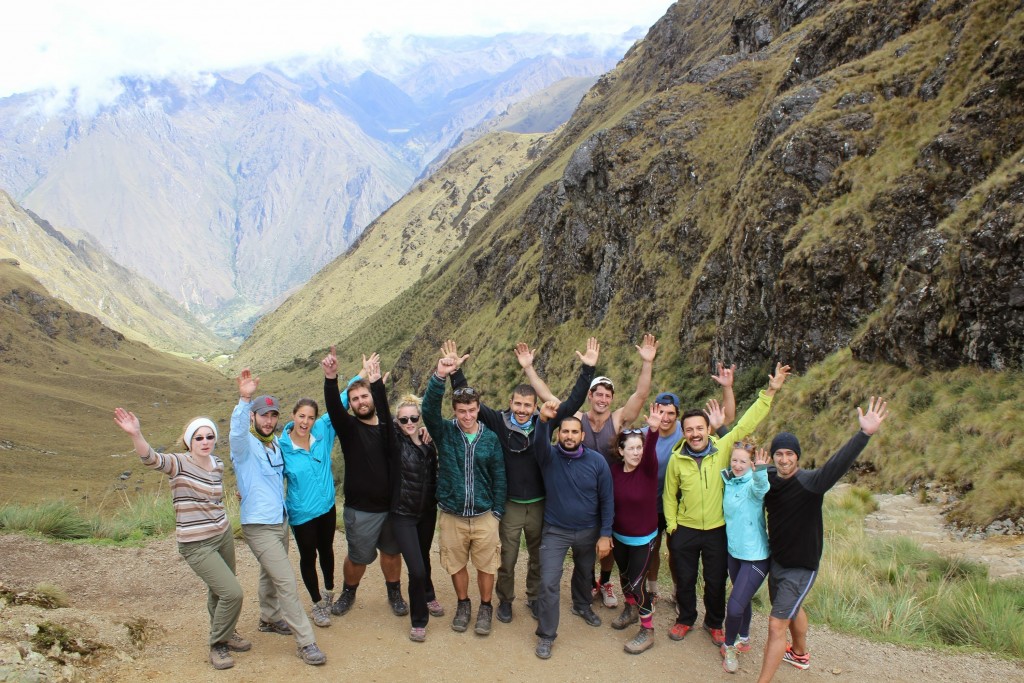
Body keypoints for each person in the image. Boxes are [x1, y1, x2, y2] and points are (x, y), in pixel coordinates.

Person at [445, 337, 599, 624]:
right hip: (511, 504)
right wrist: (455, 372)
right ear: (511, 402)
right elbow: (468, 402)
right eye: (518, 404)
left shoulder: (547, 421)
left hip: (541, 504)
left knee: (539, 558)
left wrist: (587, 369)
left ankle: (533, 597)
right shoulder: (499, 422)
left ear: (535, 405)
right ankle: (505, 600)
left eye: (528, 405)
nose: (522, 410)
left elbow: (573, 403)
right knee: (508, 557)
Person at [756, 397, 889, 682]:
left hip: (802, 566)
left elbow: (837, 464)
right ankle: (800, 654)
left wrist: (864, 433)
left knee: (776, 625)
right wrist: (719, 430)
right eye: (779, 454)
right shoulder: (767, 477)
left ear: (797, 457)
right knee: (792, 608)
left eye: (789, 454)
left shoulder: (811, 483)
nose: (784, 459)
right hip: (777, 561)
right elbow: (740, 460)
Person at [526, 334, 658, 609]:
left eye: (607, 395)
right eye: (598, 394)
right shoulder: (576, 420)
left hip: (613, 490)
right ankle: (587, 587)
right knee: (588, 544)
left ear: (611, 399)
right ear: (590, 396)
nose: (603, 399)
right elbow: (545, 395)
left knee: (606, 539)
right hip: (581, 490)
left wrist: (647, 363)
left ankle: (606, 581)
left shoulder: (618, 418)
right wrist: (528, 368)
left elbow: (641, 394)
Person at [664, 363, 790, 647]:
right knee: (684, 579)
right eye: (689, 430)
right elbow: (669, 495)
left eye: (699, 428)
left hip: (717, 530)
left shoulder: (722, 450)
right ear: (683, 433)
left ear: (709, 428)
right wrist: (672, 525)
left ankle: (713, 622)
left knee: (715, 580)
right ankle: (685, 619)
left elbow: (746, 423)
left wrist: (769, 392)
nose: (695, 434)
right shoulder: (676, 459)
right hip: (685, 528)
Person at [113, 409, 249, 670]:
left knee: (219, 590)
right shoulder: (179, 463)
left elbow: (214, 498)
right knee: (232, 592)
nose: (205, 441)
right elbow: (151, 459)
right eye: (198, 438)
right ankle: (217, 643)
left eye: (210, 436)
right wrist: (136, 434)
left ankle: (227, 632)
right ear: (189, 441)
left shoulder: (217, 464)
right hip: (196, 543)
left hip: (222, 535)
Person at [229, 369, 326, 666]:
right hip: (258, 525)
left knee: (268, 575)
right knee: (285, 580)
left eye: (273, 415)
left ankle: (269, 618)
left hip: (279, 520)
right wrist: (244, 398)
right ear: (253, 417)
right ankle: (306, 642)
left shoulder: (274, 443)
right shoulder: (245, 445)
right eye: (262, 415)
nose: (268, 421)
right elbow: (235, 434)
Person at [423, 352, 507, 635]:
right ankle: (463, 604)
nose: (467, 416)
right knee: (456, 563)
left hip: (484, 516)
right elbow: (428, 411)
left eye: (472, 410)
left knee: (487, 566)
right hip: (452, 515)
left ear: (478, 408)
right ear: (455, 411)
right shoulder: (445, 432)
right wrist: (439, 377)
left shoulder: (490, 438)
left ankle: (485, 607)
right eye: (462, 411)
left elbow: (499, 477)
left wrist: (497, 513)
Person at [321, 348, 406, 618]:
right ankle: (349, 592)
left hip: (392, 507)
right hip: (361, 509)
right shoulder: (349, 429)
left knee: (392, 553)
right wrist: (331, 378)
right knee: (357, 557)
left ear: (372, 398)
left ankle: (394, 591)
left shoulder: (389, 428)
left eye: (364, 396)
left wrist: (376, 380)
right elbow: (334, 407)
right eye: (355, 399)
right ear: (352, 403)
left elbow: (385, 407)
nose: (360, 402)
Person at [645, 365, 737, 604]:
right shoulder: (645, 433)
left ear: (677, 415)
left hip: (681, 505)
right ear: (654, 411)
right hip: (651, 503)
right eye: (661, 412)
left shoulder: (688, 433)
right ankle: (652, 589)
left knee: (675, 551)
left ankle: (679, 591)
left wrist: (727, 387)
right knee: (652, 548)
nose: (665, 418)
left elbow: (727, 418)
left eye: (671, 413)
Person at [531, 399, 614, 660]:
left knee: (583, 572)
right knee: (548, 583)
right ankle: (546, 634)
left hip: (589, 530)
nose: (569, 436)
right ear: (559, 434)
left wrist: (605, 534)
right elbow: (538, 443)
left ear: (582, 435)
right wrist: (543, 421)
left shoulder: (598, 462)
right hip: (555, 531)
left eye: (574, 432)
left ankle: (582, 605)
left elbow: (607, 499)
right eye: (564, 431)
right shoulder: (549, 457)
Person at [608, 405, 668, 655]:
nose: (636, 452)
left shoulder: (648, 469)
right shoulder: (613, 472)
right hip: (619, 536)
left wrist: (653, 431)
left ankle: (648, 629)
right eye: (630, 448)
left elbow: (652, 450)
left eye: (639, 447)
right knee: (623, 576)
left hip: (643, 539)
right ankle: (631, 609)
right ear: (621, 451)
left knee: (636, 583)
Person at [389, 393, 445, 642]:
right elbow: (381, 412)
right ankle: (419, 620)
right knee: (417, 568)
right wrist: (377, 383)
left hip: (427, 511)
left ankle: (429, 594)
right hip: (403, 514)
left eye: (414, 417)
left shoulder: (427, 442)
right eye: (404, 419)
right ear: (397, 421)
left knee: (424, 559)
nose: (409, 422)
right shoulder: (395, 442)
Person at [279, 392, 337, 629]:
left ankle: (329, 590)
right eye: (301, 416)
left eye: (310, 417)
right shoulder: (281, 446)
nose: (305, 422)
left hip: (327, 507)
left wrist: (364, 375)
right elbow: (265, 472)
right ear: (293, 416)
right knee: (308, 556)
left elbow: (340, 399)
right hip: (302, 514)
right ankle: (316, 602)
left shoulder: (322, 433)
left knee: (326, 550)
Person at [720, 442, 771, 673]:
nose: (738, 465)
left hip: (755, 557)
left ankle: (729, 647)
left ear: (751, 464)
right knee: (744, 599)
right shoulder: (729, 481)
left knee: (734, 607)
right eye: (735, 460)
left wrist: (760, 471)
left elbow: (761, 488)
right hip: (734, 554)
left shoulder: (753, 483)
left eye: (743, 461)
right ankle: (745, 637)